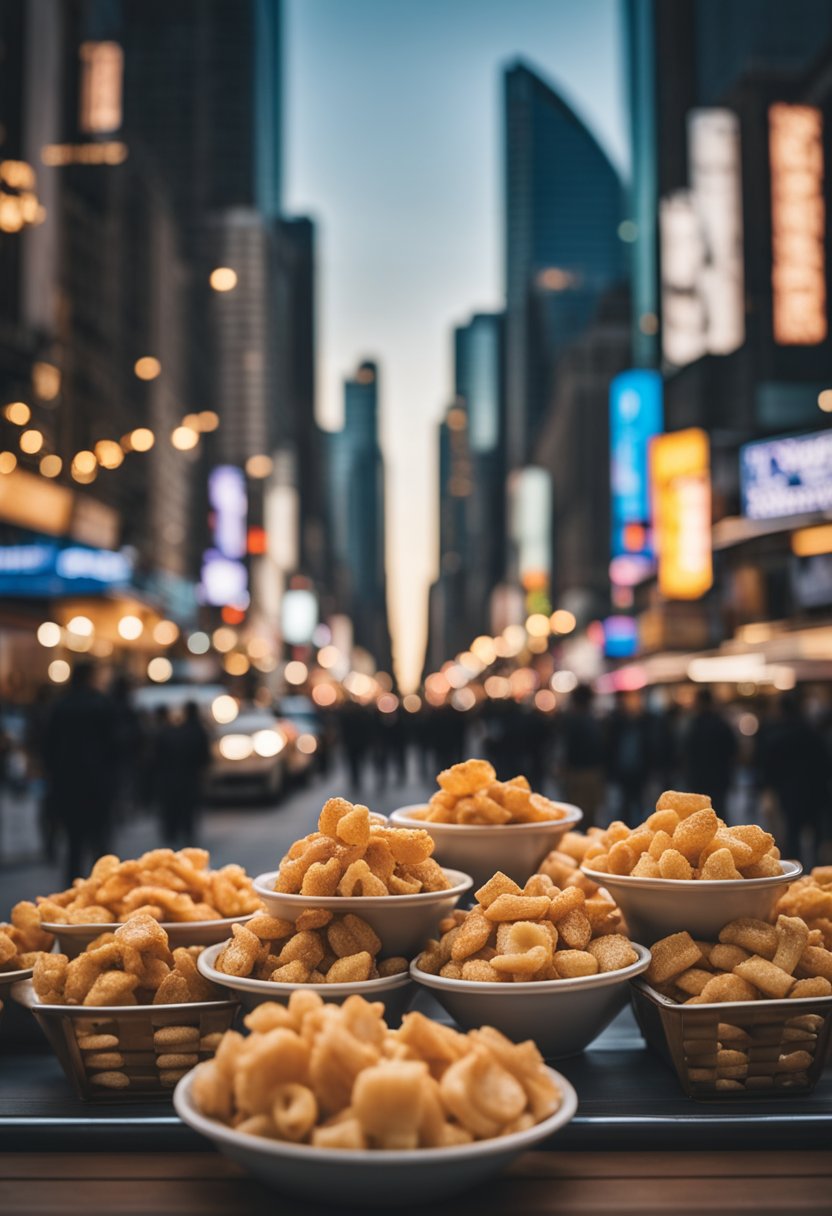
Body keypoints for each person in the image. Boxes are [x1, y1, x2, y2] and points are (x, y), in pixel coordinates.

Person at [43, 662, 118, 886]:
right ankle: (103, 890)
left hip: (67, 783)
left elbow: (48, 746)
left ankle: (72, 890)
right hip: (97, 783)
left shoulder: (61, 705)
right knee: (100, 842)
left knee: (74, 842)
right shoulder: (101, 704)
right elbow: (115, 745)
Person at [761, 691, 831, 866]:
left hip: (790, 792)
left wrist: (768, 791)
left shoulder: (777, 735)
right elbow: (825, 762)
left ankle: (795, 871)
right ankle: (817, 869)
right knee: (816, 833)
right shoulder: (812, 732)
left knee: (792, 833)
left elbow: (770, 768)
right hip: (815, 790)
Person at [155, 701, 211, 846]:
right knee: (188, 808)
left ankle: (172, 833)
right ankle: (186, 833)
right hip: (190, 776)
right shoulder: (199, 731)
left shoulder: (170, 732)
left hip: (171, 777)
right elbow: (204, 757)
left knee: (173, 806)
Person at [682, 687, 738, 819]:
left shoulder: (695, 725)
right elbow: (732, 749)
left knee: (700, 816)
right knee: (719, 814)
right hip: (719, 777)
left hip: (699, 778)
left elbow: (687, 751)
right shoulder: (721, 723)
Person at [557, 684, 606, 829]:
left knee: (577, 813)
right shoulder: (594, 720)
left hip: (576, 773)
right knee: (590, 813)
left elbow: (564, 748)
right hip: (593, 772)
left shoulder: (569, 719)